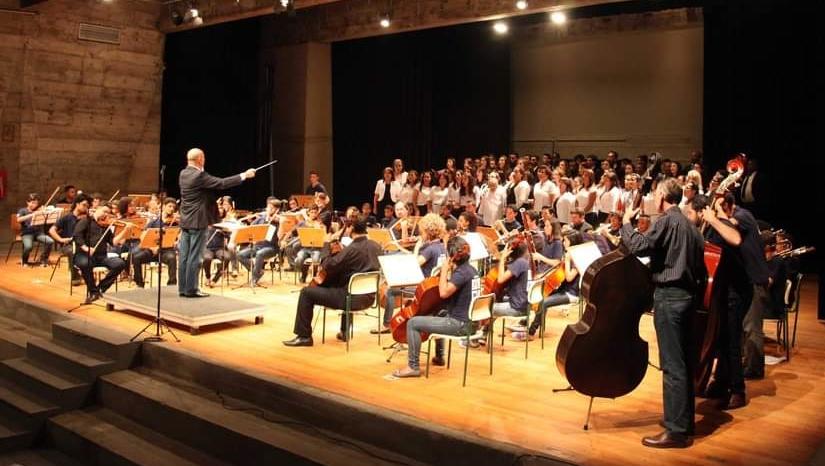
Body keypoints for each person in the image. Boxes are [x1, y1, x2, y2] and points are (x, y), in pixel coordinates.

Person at [620, 178, 706, 449]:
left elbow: (638, 246)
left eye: (656, 193)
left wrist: (625, 222)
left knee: (672, 366)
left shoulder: (667, 220)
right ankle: (685, 421)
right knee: (684, 363)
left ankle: (676, 431)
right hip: (688, 298)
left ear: (662, 196)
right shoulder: (691, 228)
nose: (653, 198)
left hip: (670, 298)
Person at [283, 216, 381, 347]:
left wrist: (326, 247)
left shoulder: (350, 250)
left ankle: (304, 336)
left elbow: (328, 266)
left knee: (306, 293)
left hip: (350, 300)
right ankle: (344, 331)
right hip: (369, 298)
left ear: (351, 228)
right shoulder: (376, 246)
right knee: (346, 283)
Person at [392, 235, 479, 378]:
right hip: (472, 323)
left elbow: (443, 293)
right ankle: (439, 356)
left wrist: (444, 269)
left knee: (413, 323)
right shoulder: (471, 270)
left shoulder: (461, 274)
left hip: (459, 325)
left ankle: (412, 366)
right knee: (440, 312)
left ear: (451, 256)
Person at [178, 148, 256, 298]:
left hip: (186, 220)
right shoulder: (199, 175)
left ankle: (183, 288)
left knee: (184, 257)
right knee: (195, 256)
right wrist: (244, 175)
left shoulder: (183, 173)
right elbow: (221, 183)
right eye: (203, 158)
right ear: (200, 159)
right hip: (198, 221)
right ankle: (191, 290)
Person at [73, 205, 130, 304]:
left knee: (120, 263)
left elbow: (113, 242)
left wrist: (125, 231)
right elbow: (77, 236)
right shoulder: (86, 221)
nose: (106, 215)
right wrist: (86, 248)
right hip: (83, 255)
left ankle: (100, 289)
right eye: (104, 211)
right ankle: (93, 292)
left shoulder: (105, 226)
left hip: (101, 256)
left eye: (108, 213)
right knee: (86, 264)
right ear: (98, 210)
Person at [48, 194, 90, 286]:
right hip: (68, 245)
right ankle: (75, 277)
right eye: (84, 205)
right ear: (77, 204)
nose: (86, 208)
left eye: (87, 206)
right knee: (72, 251)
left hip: (82, 244)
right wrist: (61, 239)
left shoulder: (86, 218)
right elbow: (51, 230)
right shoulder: (67, 217)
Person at [17, 193, 54, 267]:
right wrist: (32, 214)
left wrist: (45, 212)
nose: (34, 205)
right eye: (32, 203)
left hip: (38, 233)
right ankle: (24, 261)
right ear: (27, 202)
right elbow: (18, 220)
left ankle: (43, 259)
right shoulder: (22, 210)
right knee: (28, 247)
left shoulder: (39, 210)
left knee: (50, 241)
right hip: (27, 233)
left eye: (36, 203)